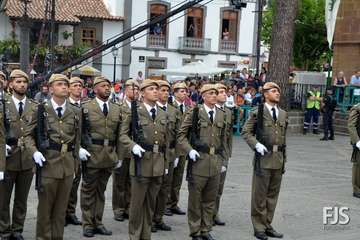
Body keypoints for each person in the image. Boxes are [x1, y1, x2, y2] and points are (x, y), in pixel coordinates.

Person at [24, 74, 82, 240]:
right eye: (59, 84)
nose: (64, 86)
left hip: (68, 167)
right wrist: (34, 152)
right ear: (50, 89)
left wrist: (76, 164)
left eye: (66, 84)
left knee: (60, 210)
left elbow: (76, 140)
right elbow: (27, 135)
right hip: (48, 164)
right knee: (45, 210)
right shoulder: (41, 109)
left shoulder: (75, 111)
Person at [120, 79, 168, 240]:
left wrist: (166, 163)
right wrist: (132, 146)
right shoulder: (135, 111)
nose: (155, 91)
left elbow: (166, 141)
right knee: (136, 205)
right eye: (151, 89)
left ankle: (145, 235)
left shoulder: (162, 113)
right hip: (141, 163)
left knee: (150, 204)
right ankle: (134, 236)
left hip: (158, 164)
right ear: (142, 93)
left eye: (157, 89)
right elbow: (122, 135)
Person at [177, 84, 227, 240]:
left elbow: (224, 139)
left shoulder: (221, 114)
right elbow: (181, 135)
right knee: (195, 199)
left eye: (216, 93)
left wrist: (223, 160)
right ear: (204, 96)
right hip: (199, 161)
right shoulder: (195, 112)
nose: (214, 95)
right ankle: (195, 230)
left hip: (215, 162)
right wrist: (189, 150)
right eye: (211, 93)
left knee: (210, 199)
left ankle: (206, 229)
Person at [242, 82, 288, 240]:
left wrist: (284, 160)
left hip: (278, 159)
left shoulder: (283, 113)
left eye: (278, 91)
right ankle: (259, 227)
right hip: (263, 158)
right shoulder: (257, 112)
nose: (277, 93)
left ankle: (268, 224)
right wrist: (256, 145)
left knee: (272, 196)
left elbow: (284, 139)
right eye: (273, 91)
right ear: (265, 94)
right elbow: (246, 132)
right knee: (259, 196)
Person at [80, 76, 122, 237]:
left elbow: (119, 134)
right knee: (88, 191)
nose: (107, 88)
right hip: (92, 154)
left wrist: (118, 155)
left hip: (109, 154)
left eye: (109, 86)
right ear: (95, 89)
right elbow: (80, 132)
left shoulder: (116, 108)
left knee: (101, 191)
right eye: (103, 86)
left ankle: (98, 221)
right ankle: (88, 224)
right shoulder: (86, 107)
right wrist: (80, 150)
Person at [0, 70, 38, 240]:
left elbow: (37, 133)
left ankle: (17, 230)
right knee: (3, 199)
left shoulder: (35, 106)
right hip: (7, 159)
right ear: (11, 84)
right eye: (18, 81)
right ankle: (4, 230)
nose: (22, 84)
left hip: (27, 159)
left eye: (24, 82)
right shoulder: (3, 104)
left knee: (21, 199)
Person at [153, 80, 182, 232]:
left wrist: (177, 154)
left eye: (166, 91)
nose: (165, 93)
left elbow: (178, 135)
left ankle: (159, 217)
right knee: (154, 187)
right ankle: (150, 218)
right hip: (155, 154)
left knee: (165, 187)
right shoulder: (150, 109)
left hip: (169, 153)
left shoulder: (173, 111)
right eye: (162, 90)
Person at [112, 79, 140, 222]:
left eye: (137, 89)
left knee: (132, 181)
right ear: (126, 90)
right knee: (119, 181)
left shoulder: (139, 107)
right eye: (133, 89)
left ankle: (129, 207)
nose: (135, 92)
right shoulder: (118, 107)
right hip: (121, 149)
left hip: (135, 149)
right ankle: (118, 208)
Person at [64, 77, 85, 226]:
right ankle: (62, 213)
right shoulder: (65, 106)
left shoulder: (85, 107)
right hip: (67, 151)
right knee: (66, 184)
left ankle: (71, 212)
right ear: (69, 89)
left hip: (80, 150)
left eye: (80, 86)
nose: (78, 88)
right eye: (75, 85)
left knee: (76, 182)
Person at [167, 81, 189, 216]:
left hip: (183, 148)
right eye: (181, 91)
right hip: (172, 147)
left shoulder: (188, 108)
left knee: (178, 178)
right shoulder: (170, 107)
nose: (184, 93)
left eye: (185, 91)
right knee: (168, 178)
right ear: (174, 93)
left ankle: (174, 203)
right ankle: (165, 204)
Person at [213, 83, 233, 226]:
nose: (224, 94)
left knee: (219, 187)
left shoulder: (228, 112)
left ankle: (215, 213)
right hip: (210, 155)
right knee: (209, 187)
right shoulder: (209, 111)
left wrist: (228, 155)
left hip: (223, 154)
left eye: (225, 92)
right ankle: (205, 214)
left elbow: (229, 136)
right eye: (220, 92)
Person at [347, 103, 360, 199]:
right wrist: (357, 141)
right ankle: (357, 189)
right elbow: (351, 125)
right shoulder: (357, 108)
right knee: (358, 165)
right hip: (359, 141)